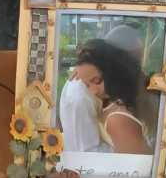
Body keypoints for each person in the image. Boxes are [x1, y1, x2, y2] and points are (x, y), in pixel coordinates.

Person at [58, 25, 154, 153]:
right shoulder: (81, 92)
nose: (93, 91)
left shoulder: (119, 114)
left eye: (96, 81)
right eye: (87, 84)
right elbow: (85, 151)